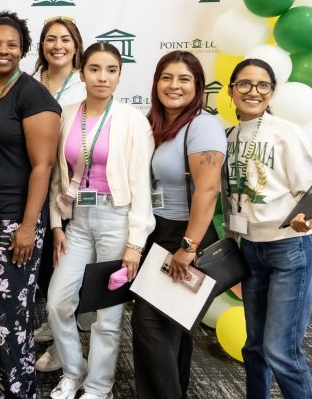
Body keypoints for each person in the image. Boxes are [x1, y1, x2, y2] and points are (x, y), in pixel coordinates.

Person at [42, 43, 154, 399]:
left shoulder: (132, 119)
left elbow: (141, 185)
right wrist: (56, 224)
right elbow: (57, 178)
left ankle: (98, 386)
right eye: (94, 69)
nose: (102, 77)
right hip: (77, 221)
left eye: (111, 70)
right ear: (81, 72)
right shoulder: (66, 113)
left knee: (108, 315)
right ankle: (73, 373)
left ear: (120, 76)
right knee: (58, 302)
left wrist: (135, 243)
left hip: (116, 219)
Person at [0, 11, 61, 399]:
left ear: (23, 50)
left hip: (12, 219)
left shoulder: (33, 95)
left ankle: (19, 390)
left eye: (12, 44)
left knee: (10, 312)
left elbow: (43, 166)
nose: (3, 50)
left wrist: (26, 226)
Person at [224, 59, 312, 399]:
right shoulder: (226, 136)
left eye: (262, 85)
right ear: (231, 91)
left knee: (281, 351)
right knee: (254, 348)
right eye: (244, 84)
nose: (252, 92)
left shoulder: (285, 132)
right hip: (250, 250)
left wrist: (310, 218)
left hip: (289, 249)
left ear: (272, 92)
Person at [131, 51, 227, 399]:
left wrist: (189, 247)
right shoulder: (157, 124)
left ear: (198, 86)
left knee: (151, 325)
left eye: (184, 79)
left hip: (187, 235)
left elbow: (208, 188)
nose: (174, 85)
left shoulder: (202, 124)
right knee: (172, 328)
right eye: (166, 77)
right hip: (160, 230)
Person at [33, 16, 88, 373]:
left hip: (71, 186)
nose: (57, 45)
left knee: (67, 259)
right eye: (50, 39)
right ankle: (54, 319)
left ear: (76, 45)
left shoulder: (85, 84)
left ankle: (62, 341)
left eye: (65, 39)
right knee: (42, 263)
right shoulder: (31, 82)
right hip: (35, 181)